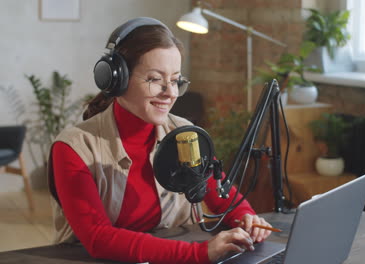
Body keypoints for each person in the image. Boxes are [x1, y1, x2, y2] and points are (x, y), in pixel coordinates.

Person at [47, 17, 272, 264]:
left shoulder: (185, 133)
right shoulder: (74, 147)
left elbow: (221, 195)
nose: (171, 92)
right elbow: (98, 238)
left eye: (175, 80)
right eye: (155, 79)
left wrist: (248, 218)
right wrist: (199, 254)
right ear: (117, 79)